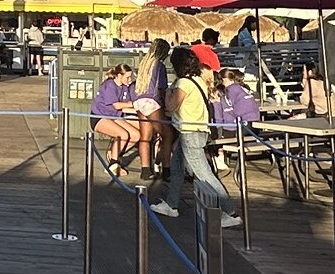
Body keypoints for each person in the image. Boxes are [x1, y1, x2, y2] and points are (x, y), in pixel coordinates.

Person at [149, 48, 241, 225]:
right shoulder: (197, 79)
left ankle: (230, 212)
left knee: (204, 174)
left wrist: (168, 91)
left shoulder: (183, 83)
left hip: (189, 132)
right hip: (195, 131)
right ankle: (171, 204)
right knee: (176, 168)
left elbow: (171, 107)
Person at [89, 64, 143, 174]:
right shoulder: (109, 85)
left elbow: (126, 107)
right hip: (100, 117)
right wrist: (131, 104)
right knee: (123, 134)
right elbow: (117, 105)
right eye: (127, 77)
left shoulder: (124, 87)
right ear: (119, 75)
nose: (129, 80)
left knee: (136, 135)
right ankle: (113, 164)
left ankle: (114, 152)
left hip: (114, 116)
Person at [133, 39, 171, 175]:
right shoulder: (159, 66)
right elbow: (162, 89)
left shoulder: (144, 64)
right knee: (167, 135)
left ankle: (145, 170)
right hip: (152, 102)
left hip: (139, 101)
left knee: (145, 137)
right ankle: (166, 169)